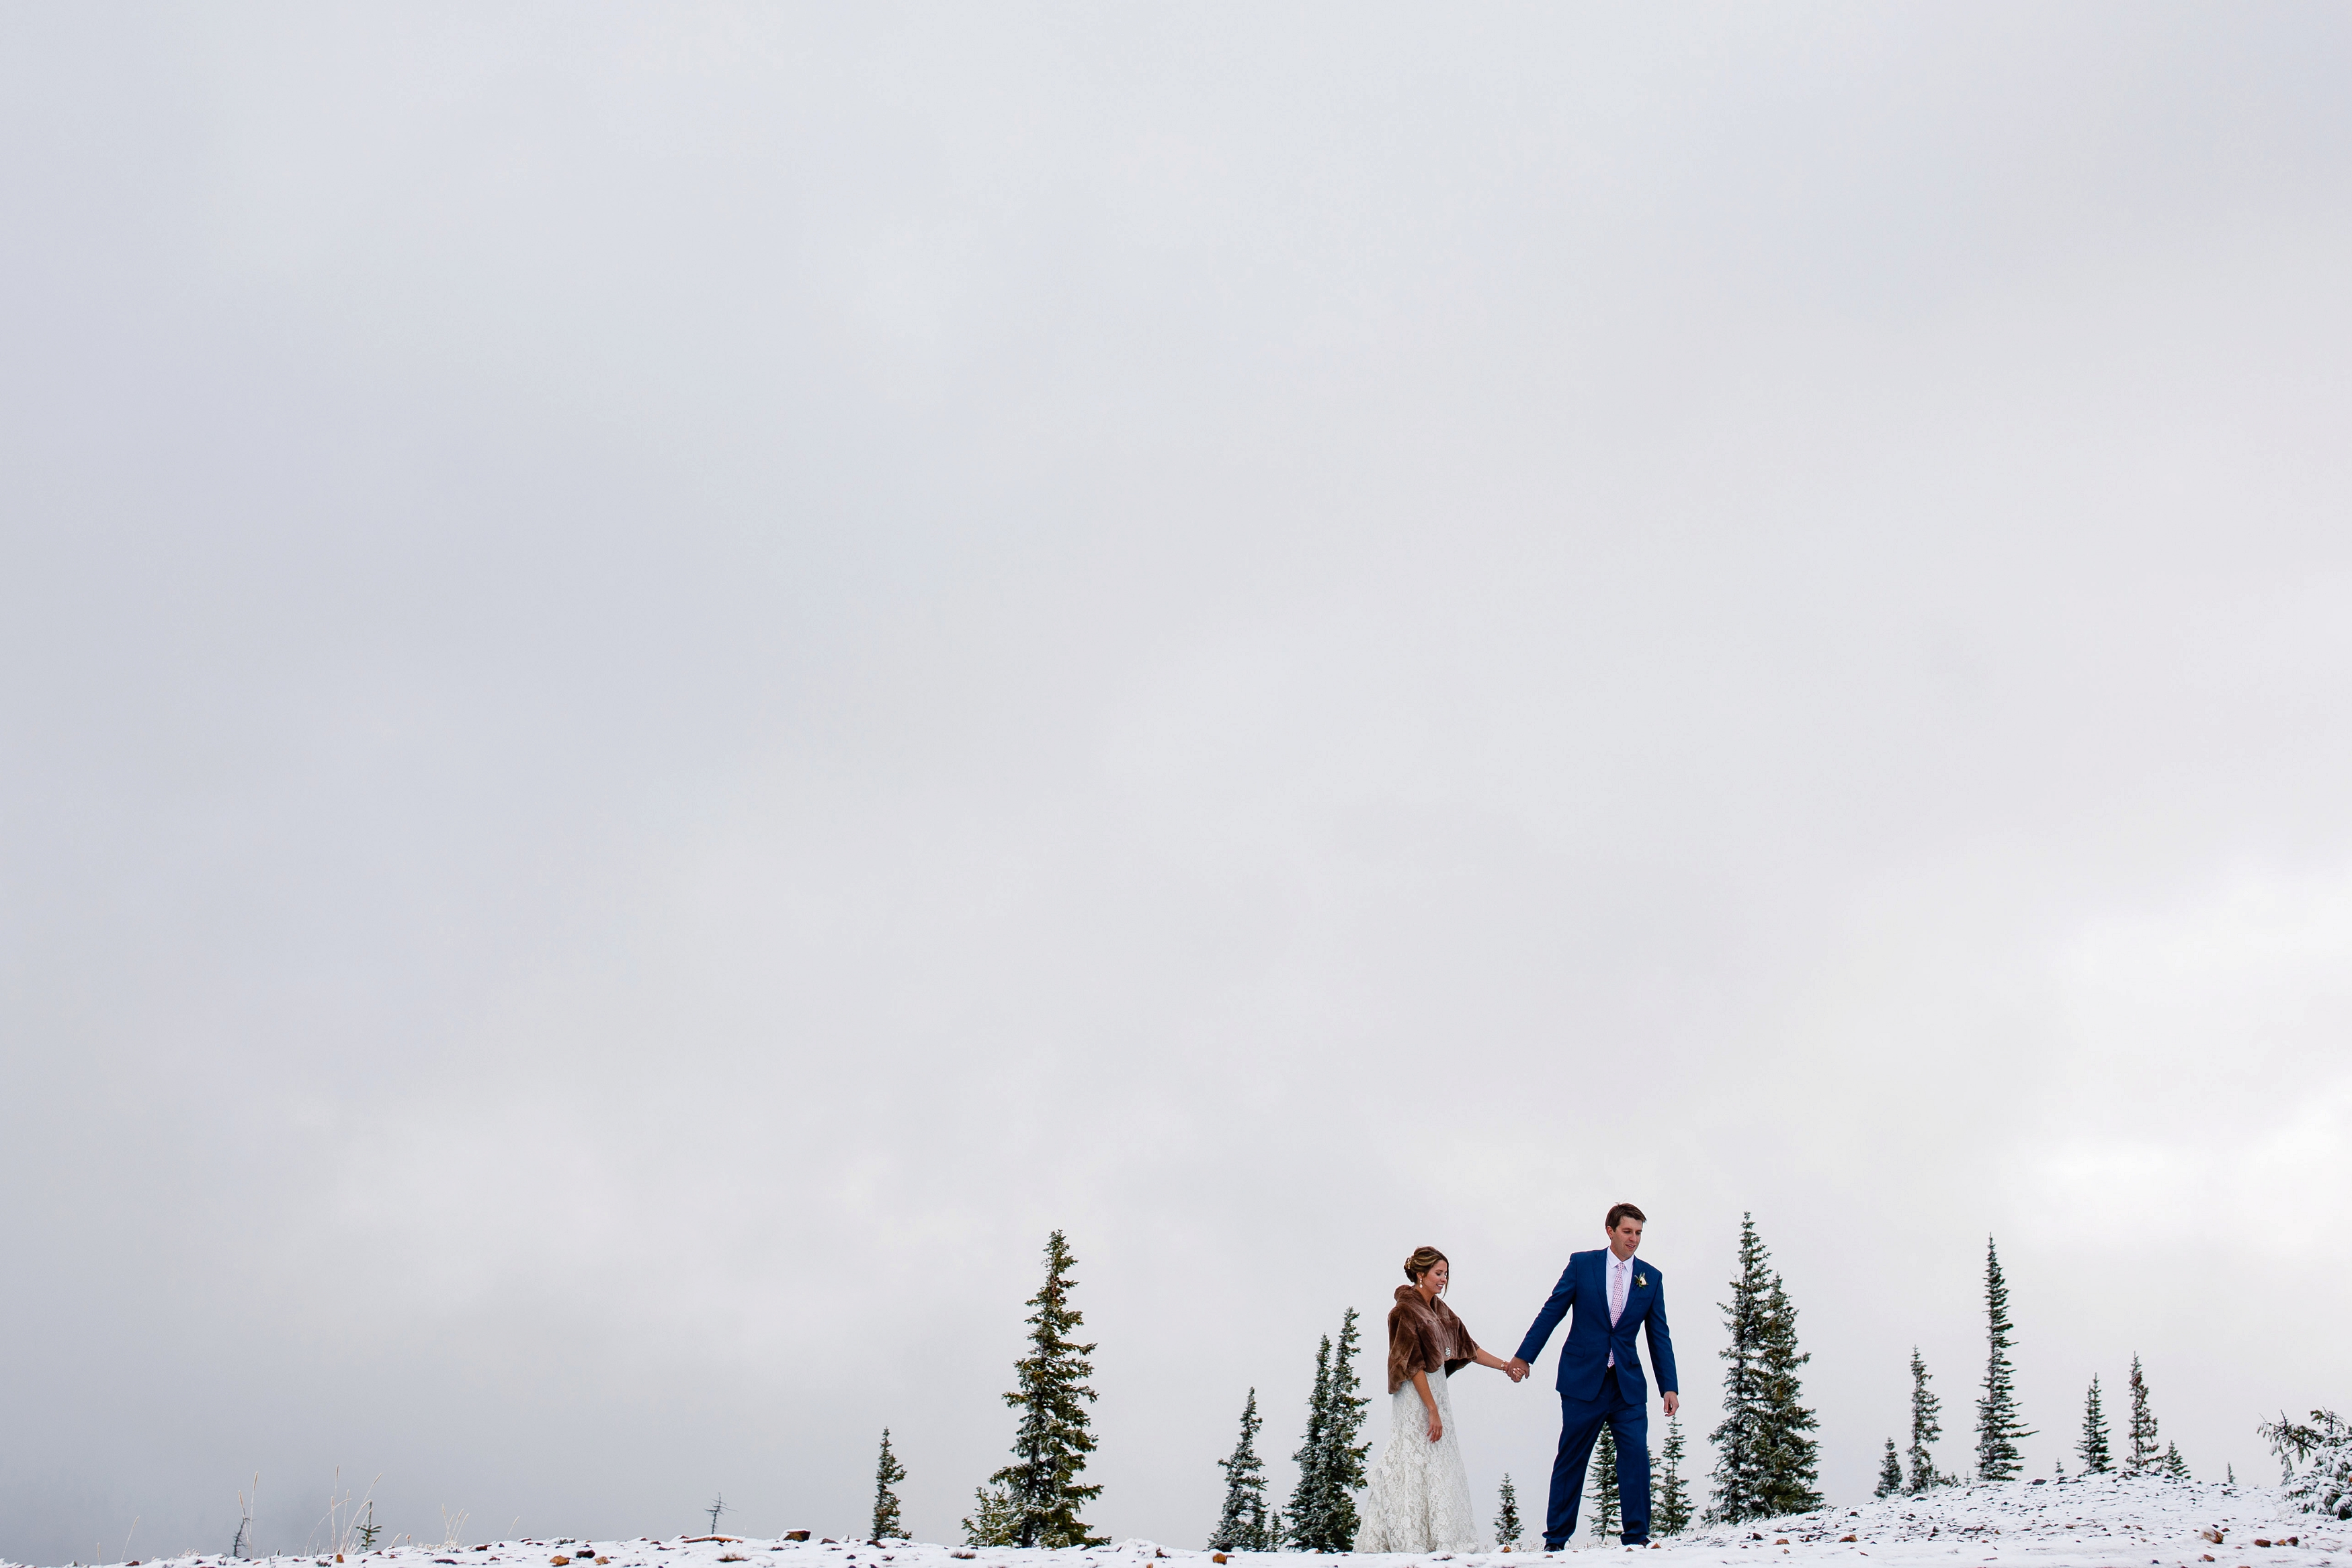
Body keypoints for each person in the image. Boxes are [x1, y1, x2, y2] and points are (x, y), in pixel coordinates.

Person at [1507, 1204, 1679, 1551]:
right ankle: (1555, 1541)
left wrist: (1669, 1386)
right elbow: (1552, 1310)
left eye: (1639, 1233)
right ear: (1610, 1230)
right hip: (1582, 1381)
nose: (1634, 1239)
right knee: (1571, 1459)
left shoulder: (1651, 1277)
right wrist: (1524, 1356)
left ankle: (1636, 1539)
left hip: (1627, 1384)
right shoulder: (1582, 1264)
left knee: (1635, 1457)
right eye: (1628, 1232)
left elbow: (1659, 1335)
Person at [1355, 1246, 1528, 1553]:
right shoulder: (1403, 1312)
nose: (1443, 1279)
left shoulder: (1442, 1311)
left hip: (1436, 1392)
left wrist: (1506, 1366)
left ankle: (1439, 1537)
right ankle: (1408, 1539)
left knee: (1438, 1458)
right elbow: (1411, 1364)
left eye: (1446, 1274)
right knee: (1413, 1455)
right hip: (1416, 1394)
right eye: (1438, 1273)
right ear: (1420, 1274)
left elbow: (1469, 1348)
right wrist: (1431, 1409)